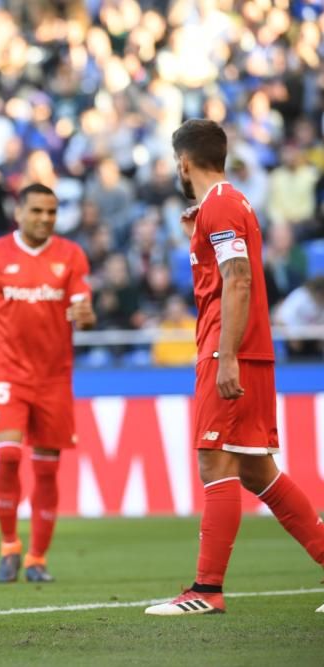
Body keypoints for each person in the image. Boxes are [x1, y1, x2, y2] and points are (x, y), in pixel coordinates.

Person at [145, 119, 324, 616]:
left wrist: (225, 356)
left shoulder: (222, 204)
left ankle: (206, 590)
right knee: (257, 471)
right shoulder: (226, 203)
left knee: (214, 461)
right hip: (243, 347)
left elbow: (238, 279)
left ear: (183, 162)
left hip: (231, 349)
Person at [0, 183, 96, 585]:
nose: (45, 219)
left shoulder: (71, 255)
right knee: (7, 456)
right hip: (6, 372)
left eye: (51, 212)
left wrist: (86, 316)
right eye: (37, 211)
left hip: (54, 377)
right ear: (18, 213)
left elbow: (83, 314)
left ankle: (37, 558)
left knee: (47, 470)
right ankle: (8, 546)